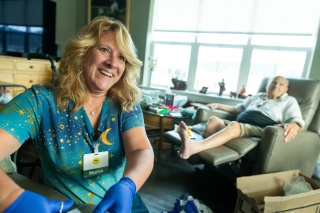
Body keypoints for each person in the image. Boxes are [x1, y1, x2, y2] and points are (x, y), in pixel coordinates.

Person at [0, 16, 154, 213]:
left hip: (125, 204)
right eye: (104, 50)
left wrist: (128, 186)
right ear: (83, 51)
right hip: (72, 207)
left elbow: (141, 150)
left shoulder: (125, 104)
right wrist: (10, 197)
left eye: (122, 57)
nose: (112, 63)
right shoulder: (40, 102)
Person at [177, 76, 304, 160]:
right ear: (267, 84)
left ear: (286, 89)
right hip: (240, 122)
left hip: (261, 128)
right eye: (274, 82)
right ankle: (225, 138)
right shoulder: (258, 96)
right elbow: (238, 109)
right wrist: (218, 105)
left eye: (281, 84)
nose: (277, 86)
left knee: (234, 126)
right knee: (213, 121)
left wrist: (295, 125)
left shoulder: (289, 101)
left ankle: (194, 147)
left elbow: (296, 119)